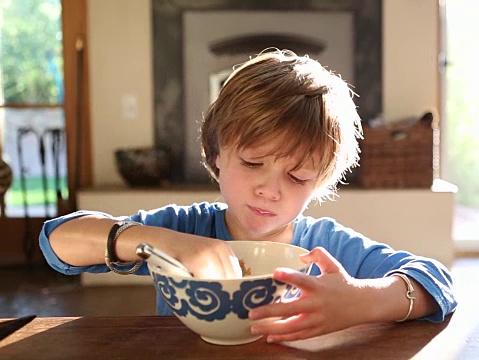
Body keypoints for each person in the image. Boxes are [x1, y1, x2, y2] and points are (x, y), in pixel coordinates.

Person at [39, 49, 457, 343]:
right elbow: (56, 242)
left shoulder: (326, 248)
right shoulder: (187, 229)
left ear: (319, 182)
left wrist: (366, 302)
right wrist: (163, 244)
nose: (270, 189)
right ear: (217, 153)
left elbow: (438, 282)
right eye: (253, 163)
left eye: (297, 176)